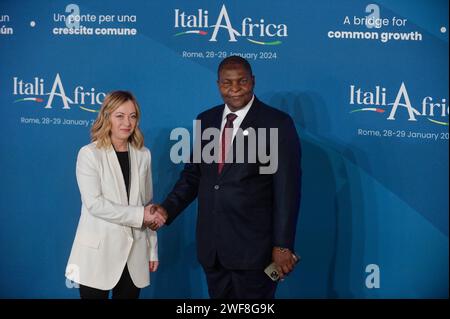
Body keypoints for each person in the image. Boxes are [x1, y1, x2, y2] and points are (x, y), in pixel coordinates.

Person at [150, 56, 302, 299]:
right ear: (217, 84)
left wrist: (283, 245)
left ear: (253, 81)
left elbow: (287, 190)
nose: (234, 89)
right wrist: (167, 209)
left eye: (242, 81)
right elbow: (194, 175)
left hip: (256, 251)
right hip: (214, 249)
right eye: (226, 83)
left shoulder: (276, 123)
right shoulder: (206, 120)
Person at [65, 90, 160, 299]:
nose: (127, 122)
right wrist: (140, 215)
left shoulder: (144, 155)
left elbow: (148, 205)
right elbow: (95, 204)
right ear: (107, 117)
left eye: (132, 116)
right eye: (120, 116)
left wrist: (152, 249)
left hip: (134, 255)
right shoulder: (89, 154)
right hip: (97, 255)